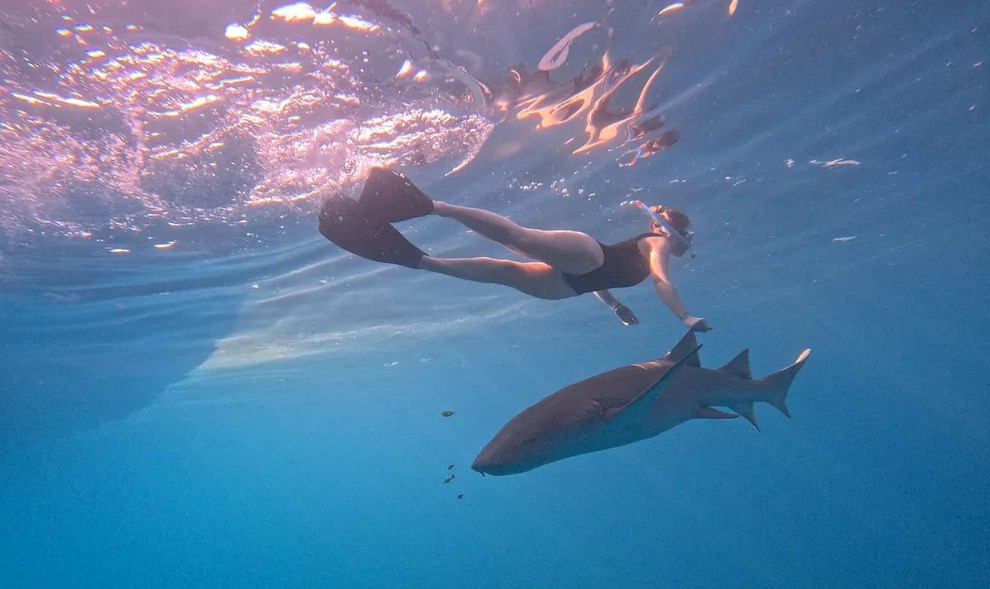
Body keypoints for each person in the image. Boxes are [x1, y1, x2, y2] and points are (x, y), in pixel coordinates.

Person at [319, 168, 711, 332]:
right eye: (687, 237)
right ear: (673, 233)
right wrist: (686, 316)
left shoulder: (658, 242)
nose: (685, 246)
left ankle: (416, 258)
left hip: (577, 281)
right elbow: (660, 281)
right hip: (591, 257)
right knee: (517, 240)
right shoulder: (658, 241)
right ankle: (427, 207)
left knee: (502, 269)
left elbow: (604, 282)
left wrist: (614, 307)